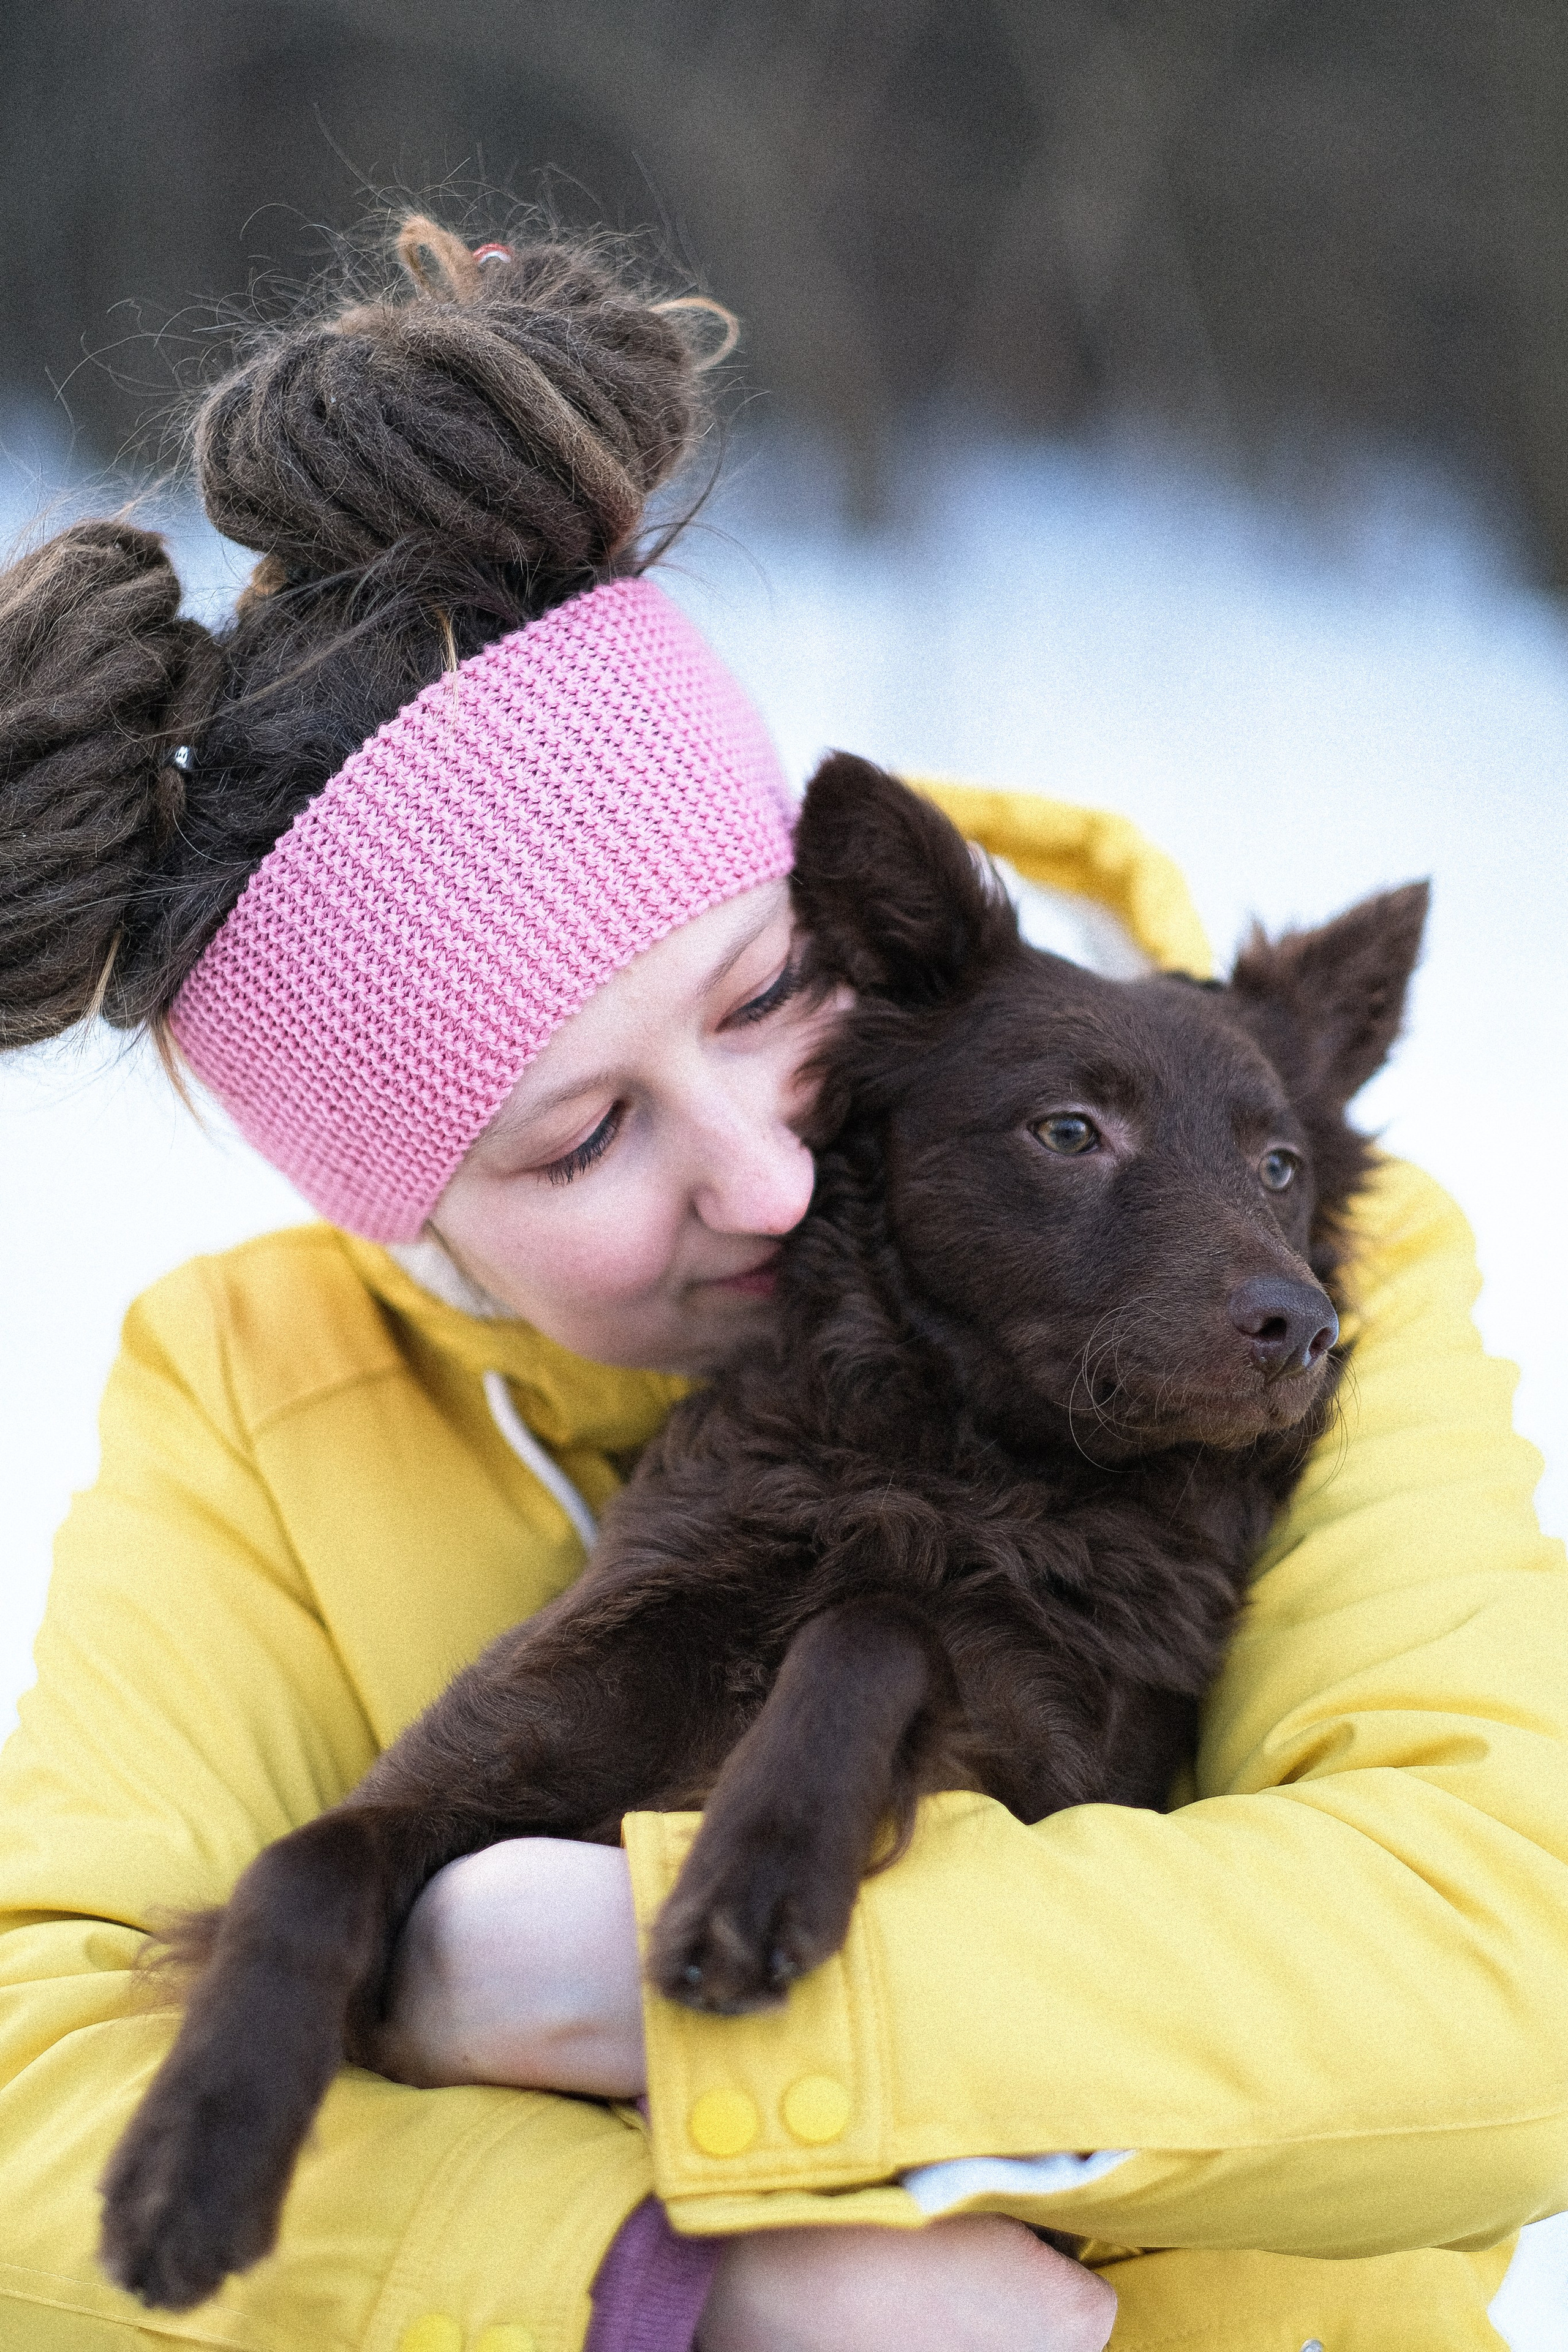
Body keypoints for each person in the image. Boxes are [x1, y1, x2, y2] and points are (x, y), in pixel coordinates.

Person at [0, 213, 1561, 2352]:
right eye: (582, 1136)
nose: (757, 1171)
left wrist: (644, 2000)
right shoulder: (253, 1396)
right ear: (413, 1224)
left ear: (857, 912)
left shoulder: (1304, 1271)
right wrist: (691, 2288)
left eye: (767, 995)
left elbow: (1503, 1969)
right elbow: (34, 2109)